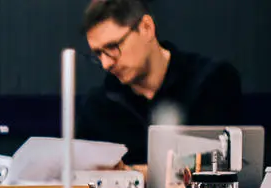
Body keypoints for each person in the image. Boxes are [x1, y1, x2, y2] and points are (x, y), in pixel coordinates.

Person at [76, 0, 243, 168]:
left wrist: (136, 174)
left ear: (146, 28)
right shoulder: (96, 107)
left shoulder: (212, 81)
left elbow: (225, 165)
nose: (106, 64)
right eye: (98, 53)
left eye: (113, 47)